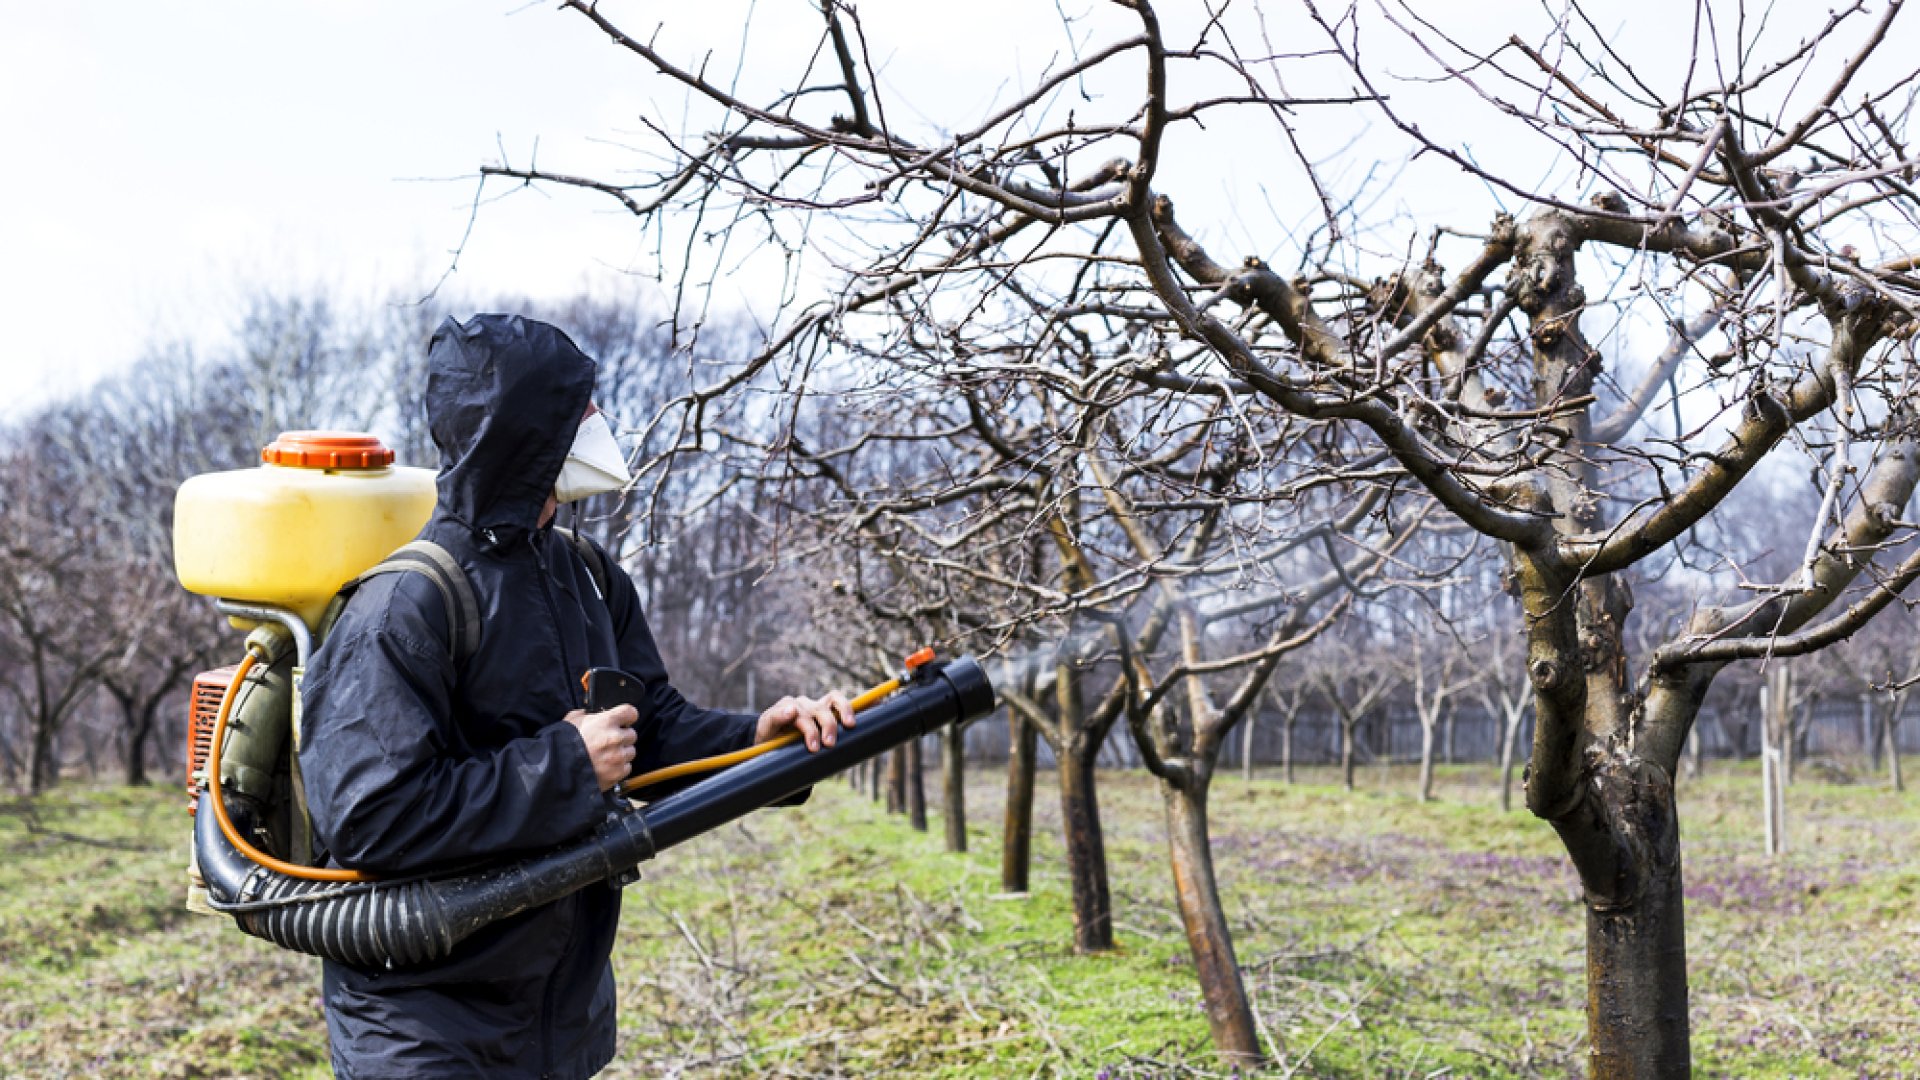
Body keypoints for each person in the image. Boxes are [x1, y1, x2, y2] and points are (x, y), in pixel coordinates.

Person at [297, 314, 851, 1079]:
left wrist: (763, 735)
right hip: (422, 1027)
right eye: (577, 411)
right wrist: (565, 763)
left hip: (558, 1016)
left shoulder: (587, 574)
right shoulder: (405, 607)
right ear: (524, 435)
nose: (596, 425)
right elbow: (370, 816)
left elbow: (647, 731)